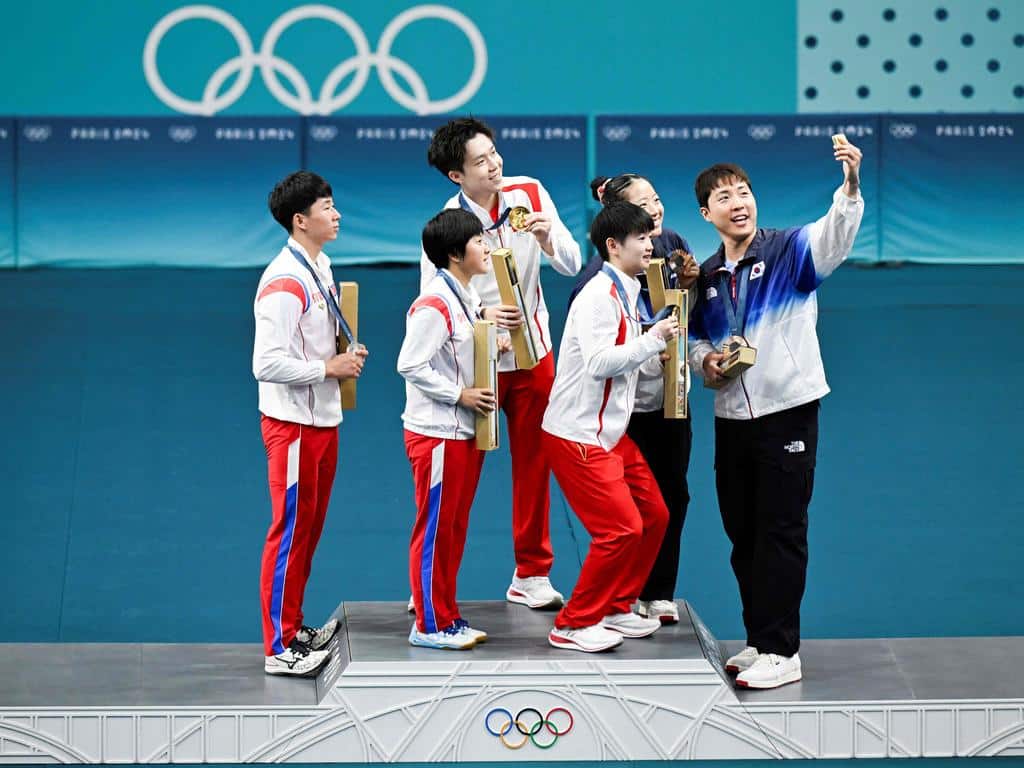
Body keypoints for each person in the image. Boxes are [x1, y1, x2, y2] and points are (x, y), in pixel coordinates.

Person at [688, 139, 864, 688]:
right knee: (743, 534)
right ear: (706, 213)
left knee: (782, 531)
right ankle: (760, 639)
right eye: (725, 196)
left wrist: (851, 186)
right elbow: (694, 344)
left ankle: (784, 652)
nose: (739, 202)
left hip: (787, 412)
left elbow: (834, 233)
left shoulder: (789, 250)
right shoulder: (710, 277)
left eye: (744, 192)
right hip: (731, 421)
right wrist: (709, 364)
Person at [421, 117, 582, 609]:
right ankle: (433, 580)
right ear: (456, 175)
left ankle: (531, 574)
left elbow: (572, 264)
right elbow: (432, 297)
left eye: (494, 154)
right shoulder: (447, 223)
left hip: (534, 355)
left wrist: (549, 233)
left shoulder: (530, 192)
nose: (494, 166)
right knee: (460, 474)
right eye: (480, 162)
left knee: (535, 466)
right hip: (477, 363)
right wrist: (481, 314)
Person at [541, 202, 678, 653]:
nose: (649, 243)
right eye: (639, 238)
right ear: (613, 246)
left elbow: (627, 359)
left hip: (611, 434)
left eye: (648, 235)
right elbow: (600, 363)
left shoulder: (629, 290)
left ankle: (618, 606)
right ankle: (574, 623)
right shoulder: (598, 296)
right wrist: (651, 340)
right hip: (577, 434)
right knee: (619, 530)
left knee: (655, 516)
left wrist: (650, 349)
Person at [569, 173, 700, 624]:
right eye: (644, 208)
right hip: (624, 410)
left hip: (671, 398)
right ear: (617, 231)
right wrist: (651, 341)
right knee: (626, 511)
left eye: (658, 199)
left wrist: (691, 287)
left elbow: (688, 319)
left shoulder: (674, 245)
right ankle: (618, 597)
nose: (656, 212)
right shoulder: (594, 286)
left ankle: (657, 592)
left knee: (673, 498)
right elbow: (598, 356)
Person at [253, 171, 369, 676]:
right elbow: (266, 363)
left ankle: (294, 625)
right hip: (293, 425)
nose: (337, 213)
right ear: (301, 221)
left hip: (322, 418)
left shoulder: (320, 264)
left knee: (310, 528)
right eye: (327, 207)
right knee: (290, 528)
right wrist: (328, 367)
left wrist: (342, 351)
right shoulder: (284, 283)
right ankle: (279, 646)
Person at [398, 208, 510, 650]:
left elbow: (459, 356)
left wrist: (494, 348)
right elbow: (409, 363)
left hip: (463, 431)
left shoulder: (465, 297)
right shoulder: (435, 303)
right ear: (453, 253)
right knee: (435, 528)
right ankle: (427, 623)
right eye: (478, 241)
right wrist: (458, 395)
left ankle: (446, 614)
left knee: (453, 526)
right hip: (437, 432)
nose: (486, 247)